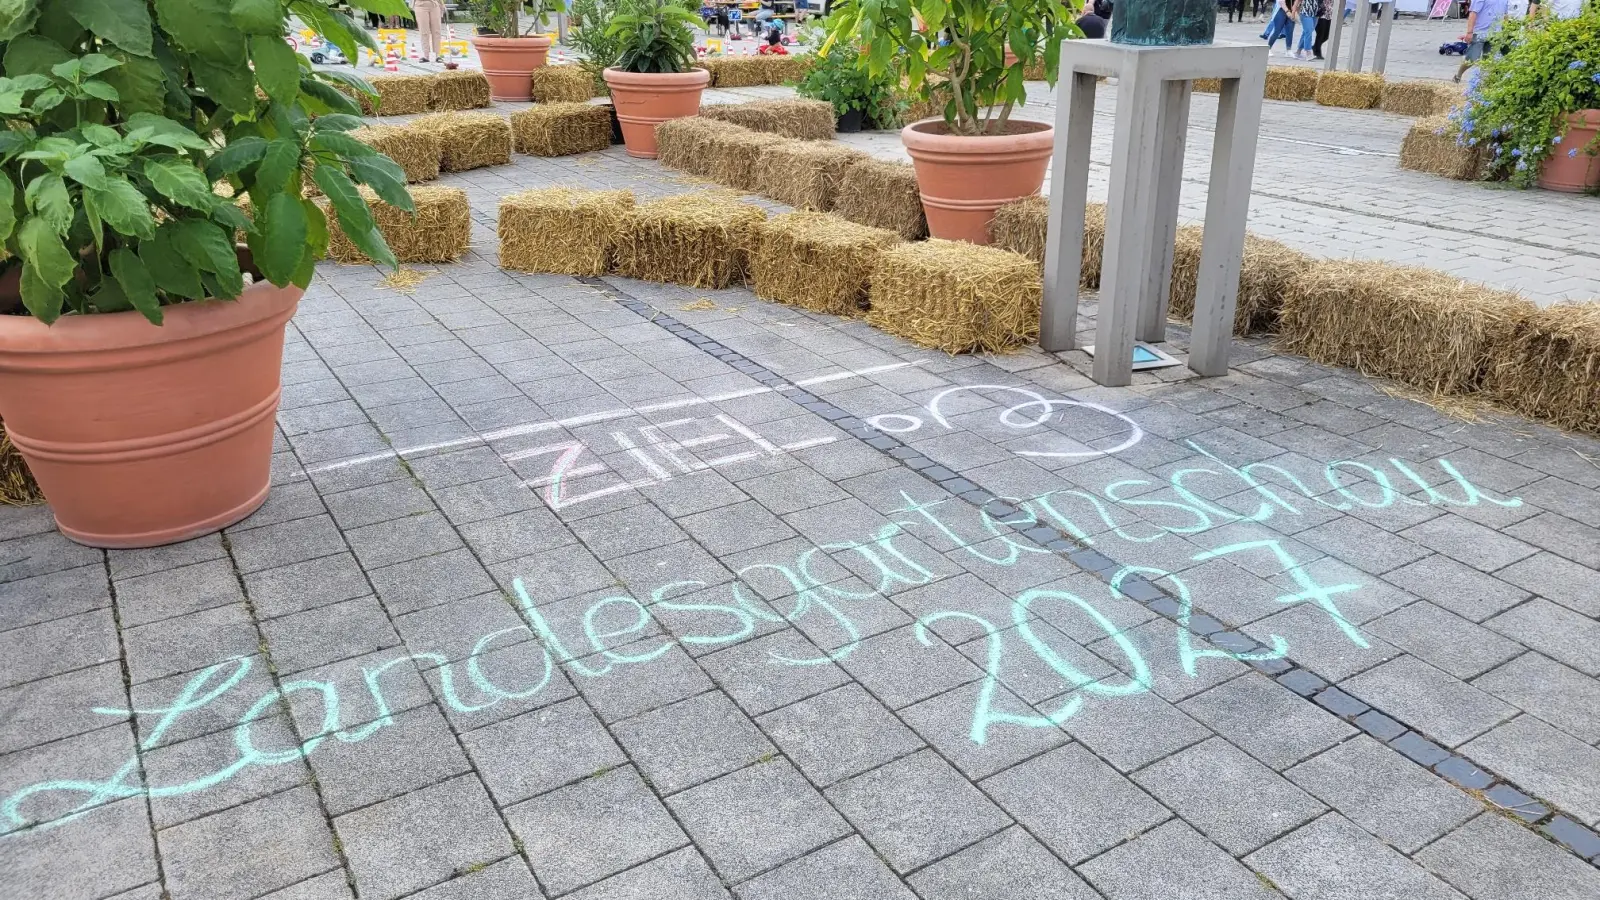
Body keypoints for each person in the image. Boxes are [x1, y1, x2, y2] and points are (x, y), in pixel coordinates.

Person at [1455, 0, 1508, 82]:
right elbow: (1473, 13)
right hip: (1479, 32)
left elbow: (1505, 15)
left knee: (1488, 60)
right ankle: (1458, 76)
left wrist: (1505, 30)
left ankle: (1482, 82)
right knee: (1472, 59)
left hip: (1495, 33)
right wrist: (1469, 32)